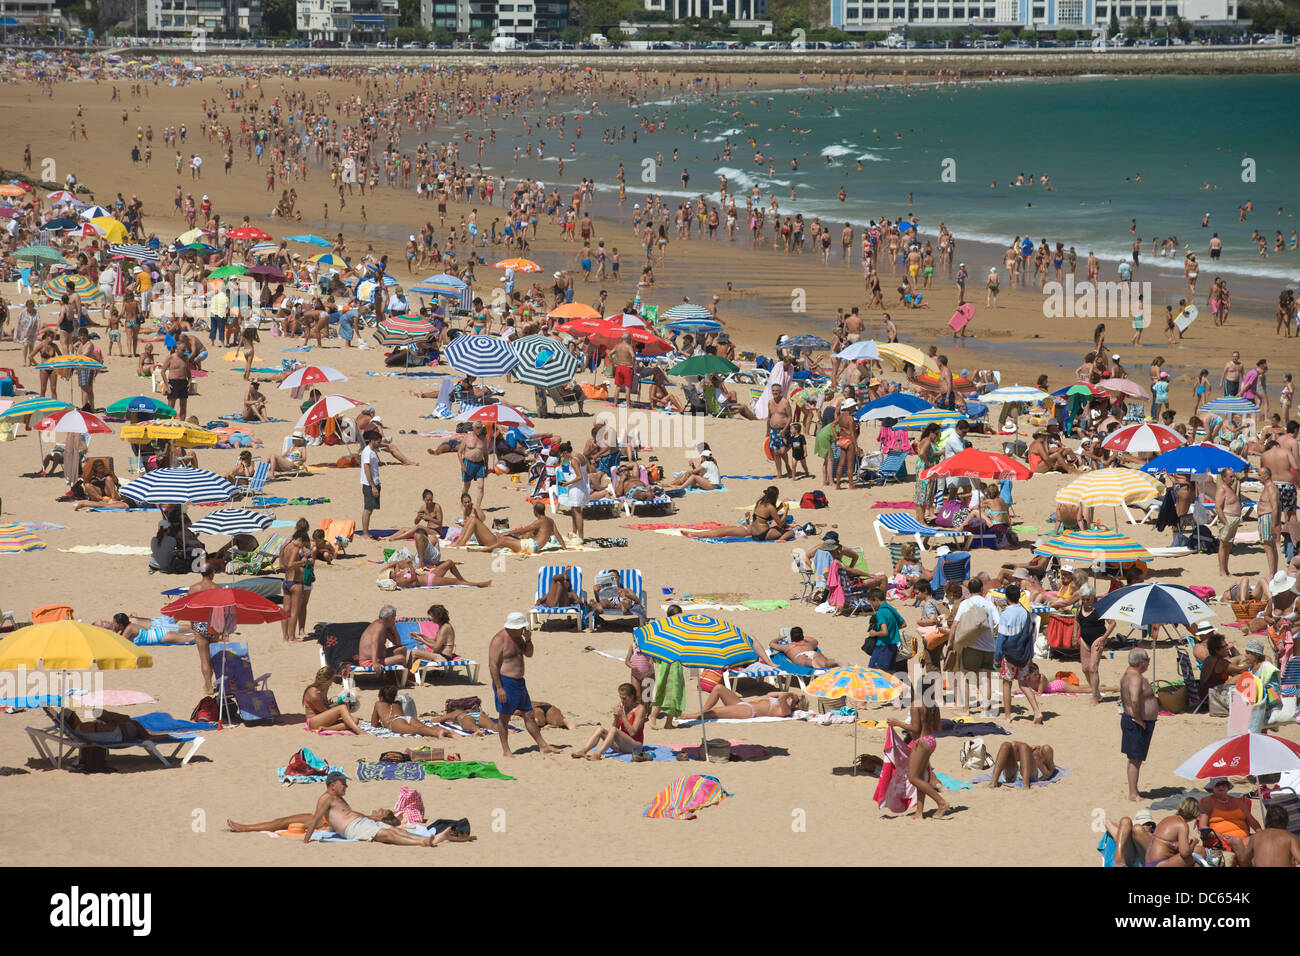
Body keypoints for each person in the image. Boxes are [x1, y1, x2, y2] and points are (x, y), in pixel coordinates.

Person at [300, 772, 455, 845]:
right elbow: (317, 819)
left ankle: (432, 839)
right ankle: (422, 842)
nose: (346, 786)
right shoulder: (326, 798)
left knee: (398, 830)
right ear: (332, 785)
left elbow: (335, 818)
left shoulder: (337, 799)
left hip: (361, 822)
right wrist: (306, 840)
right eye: (343, 783)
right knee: (387, 834)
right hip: (353, 828)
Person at [487, 612, 561, 757]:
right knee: (504, 717)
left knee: (529, 714)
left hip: (520, 683)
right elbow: (493, 665)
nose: (523, 629)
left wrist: (528, 640)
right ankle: (506, 750)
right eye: (520, 627)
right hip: (506, 682)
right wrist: (500, 687)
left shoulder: (519, 637)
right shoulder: (499, 640)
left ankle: (543, 745)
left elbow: (529, 654)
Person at [885, 673, 948, 820]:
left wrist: (896, 722)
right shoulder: (933, 704)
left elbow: (914, 729)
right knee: (920, 777)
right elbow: (938, 727)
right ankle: (919, 812)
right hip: (932, 740)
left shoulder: (916, 705)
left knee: (913, 778)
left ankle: (941, 802)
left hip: (922, 742)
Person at [993, 583, 1043, 723]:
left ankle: (1008, 717)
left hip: (1010, 654)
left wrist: (997, 657)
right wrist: (1030, 655)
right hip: (1023, 653)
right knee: (1023, 684)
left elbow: (1001, 638)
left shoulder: (1006, 614)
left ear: (1007, 597)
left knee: (1007, 683)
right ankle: (1037, 712)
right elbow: (1030, 635)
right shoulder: (1025, 612)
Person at [570, 683, 647, 760]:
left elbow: (633, 732)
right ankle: (583, 751)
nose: (622, 701)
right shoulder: (621, 705)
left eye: (624, 698)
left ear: (632, 697)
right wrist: (616, 718)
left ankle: (598, 754)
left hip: (635, 746)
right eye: (621, 698)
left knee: (614, 730)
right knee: (600, 729)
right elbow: (615, 728)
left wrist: (623, 716)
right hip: (622, 744)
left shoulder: (640, 709)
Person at [1120, 648, 1158, 802]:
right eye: (1148, 660)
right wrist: (1139, 718)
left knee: (1136, 759)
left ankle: (1134, 791)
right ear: (1141, 662)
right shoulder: (1135, 677)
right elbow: (1134, 699)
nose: (1149, 663)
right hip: (1137, 722)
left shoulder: (1128, 674)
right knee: (1135, 759)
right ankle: (1133, 793)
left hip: (1134, 720)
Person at [456, 501, 562, 554]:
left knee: (503, 541)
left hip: (530, 546)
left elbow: (523, 530)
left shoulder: (538, 522)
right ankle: (462, 541)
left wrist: (509, 532)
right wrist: (564, 547)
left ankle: (480, 551)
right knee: (503, 539)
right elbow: (558, 535)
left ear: (535, 512)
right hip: (532, 545)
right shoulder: (550, 521)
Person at [1197, 776, 1261, 860]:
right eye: (1217, 785)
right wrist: (1221, 836)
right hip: (1223, 841)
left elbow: (1252, 820)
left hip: (1245, 839)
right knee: (1240, 844)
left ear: (1227, 786)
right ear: (1212, 787)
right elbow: (1202, 826)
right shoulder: (1208, 802)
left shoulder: (1239, 801)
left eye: (1223, 784)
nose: (1221, 787)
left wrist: (1260, 832)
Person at [371, 685, 458, 738]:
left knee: (417, 730)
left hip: (394, 722)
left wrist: (381, 723)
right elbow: (402, 717)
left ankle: (438, 733)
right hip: (407, 718)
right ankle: (449, 733)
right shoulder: (397, 703)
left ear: (381, 697)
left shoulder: (378, 704)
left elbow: (374, 724)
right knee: (425, 728)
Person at [681, 686, 803, 720]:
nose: (791, 699)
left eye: (794, 701)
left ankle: (690, 716)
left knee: (716, 712)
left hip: (748, 711)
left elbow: (782, 697)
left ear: (796, 706)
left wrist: (790, 695)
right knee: (718, 688)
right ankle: (702, 712)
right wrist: (792, 696)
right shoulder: (782, 701)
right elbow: (770, 694)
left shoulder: (785, 711)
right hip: (743, 703)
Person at [303, 667, 362, 734]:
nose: (332, 681)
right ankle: (359, 731)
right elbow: (322, 710)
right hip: (313, 722)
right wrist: (339, 712)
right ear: (327, 680)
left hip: (323, 719)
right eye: (332, 679)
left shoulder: (324, 688)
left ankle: (326, 729)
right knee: (342, 708)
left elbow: (326, 709)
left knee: (355, 720)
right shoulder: (313, 693)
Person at [1243, 637, 1283, 733]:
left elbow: (1275, 688)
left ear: (1256, 655)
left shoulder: (1266, 668)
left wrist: (1263, 687)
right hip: (1253, 705)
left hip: (1265, 705)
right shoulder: (1251, 668)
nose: (1245, 656)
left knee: (1260, 730)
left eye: (1248, 653)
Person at [383, 555, 491, 589]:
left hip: (430, 575)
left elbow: (396, 564)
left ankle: (463, 580)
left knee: (449, 562)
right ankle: (478, 584)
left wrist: (385, 568)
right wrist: (410, 565)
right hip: (430, 581)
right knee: (456, 581)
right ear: (390, 578)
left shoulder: (397, 574)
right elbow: (413, 579)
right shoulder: (400, 582)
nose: (392, 571)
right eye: (390, 572)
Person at [1146, 798, 1200, 866]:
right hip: (1160, 863)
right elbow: (1185, 853)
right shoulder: (1182, 824)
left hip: (1149, 863)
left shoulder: (1167, 819)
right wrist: (1194, 843)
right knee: (1199, 851)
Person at [864, 588, 905, 672]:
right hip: (893, 646)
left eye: (872, 603)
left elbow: (884, 632)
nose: (872, 606)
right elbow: (903, 624)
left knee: (874, 672)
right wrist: (892, 629)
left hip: (883, 646)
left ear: (876, 599)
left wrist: (874, 633)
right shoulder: (891, 608)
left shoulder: (881, 612)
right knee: (890, 672)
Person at [988, 740, 1057, 788]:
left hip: (1031, 773)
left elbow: (1048, 774)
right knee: (1006, 745)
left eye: (1040, 749)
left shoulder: (1042, 764)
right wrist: (1029, 748)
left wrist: (1036, 757)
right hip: (1014, 771)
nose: (1038, 748)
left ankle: (1025, 784)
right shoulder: (1025, 754)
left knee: (1024, 746)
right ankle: (993, 782)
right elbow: (1014, 743)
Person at [358, 605, 405, 673]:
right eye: (394, 617)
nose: (395, 619)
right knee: (401, 658)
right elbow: (374, 643)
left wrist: (394, 629)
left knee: (402, 649)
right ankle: (403, 679)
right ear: (389, 618)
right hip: (368, 661)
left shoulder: (385, 626)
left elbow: (398, 643)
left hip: (379, 658)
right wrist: (375, 663)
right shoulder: (379, 626)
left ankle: (395, 676)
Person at [770, 627, 842, 668]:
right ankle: (834, 662)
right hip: (813, 653)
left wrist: (779, 638)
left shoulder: (787, 646)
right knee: (825, 662)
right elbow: (815, 640)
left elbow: (772, 644)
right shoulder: (809, 644)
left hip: (799, 655)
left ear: (791, 637)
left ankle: (813, 663)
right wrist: (802, 636)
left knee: (806, 661)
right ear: (802, 636)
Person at [360, 429, 382, 539]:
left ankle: (366, 532)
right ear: (372, 441)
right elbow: (366, 469)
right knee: (367, 509)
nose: (379, 444)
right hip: (369, 484)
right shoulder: (367, 452)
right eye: (378, 442)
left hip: (374, 482)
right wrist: (373, 486)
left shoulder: (372, 451)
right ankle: (365, 534)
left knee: (370, 509)